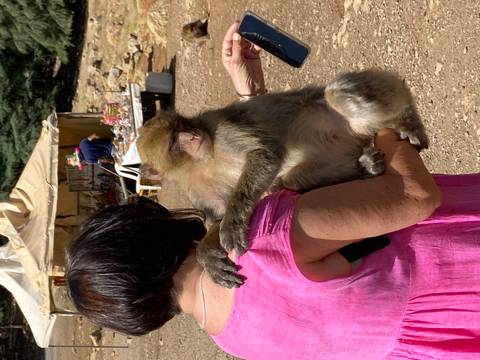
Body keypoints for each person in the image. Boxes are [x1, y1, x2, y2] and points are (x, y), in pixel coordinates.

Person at [65, 22, 480, 359]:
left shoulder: (232, 339)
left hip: (441, 343)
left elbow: (275, 181)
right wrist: (383, 123)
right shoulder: (270, 236)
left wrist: (252, 104)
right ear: (153, 230)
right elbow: (415, 197)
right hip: (456, 270)